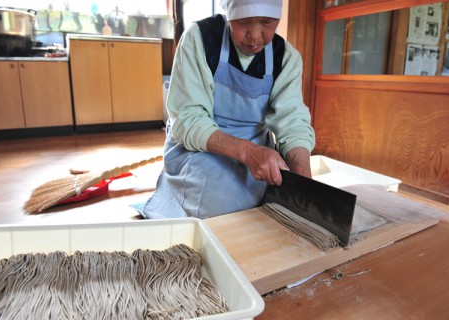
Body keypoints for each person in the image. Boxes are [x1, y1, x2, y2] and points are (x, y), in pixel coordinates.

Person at [135, 0, 315, 219]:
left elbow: (293, 122)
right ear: (229, 15)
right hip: (200, 146)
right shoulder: (200, 39)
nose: (255, 36)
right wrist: (248, 153)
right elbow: (188, 118)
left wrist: (305, 182)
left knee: (274, 202)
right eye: (244, 22)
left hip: (259, 148)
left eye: (267, 23)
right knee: (221, 208)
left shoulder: (285, 57)